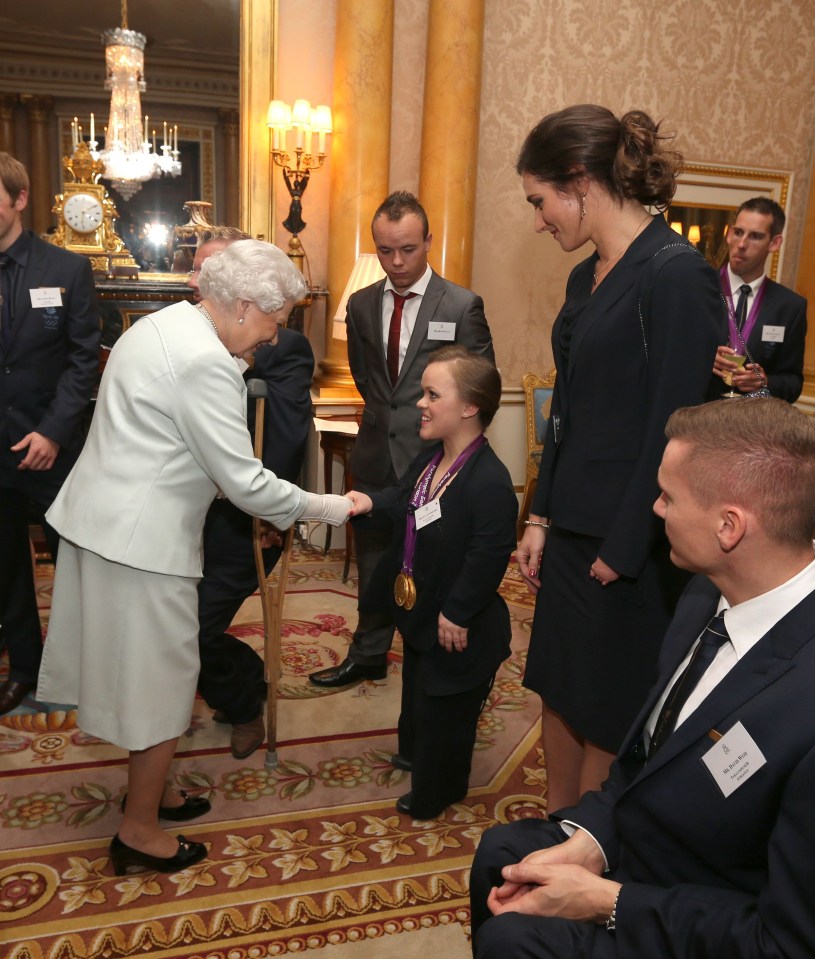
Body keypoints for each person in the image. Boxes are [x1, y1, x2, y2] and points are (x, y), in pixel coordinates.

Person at [35, 240, 350, 876]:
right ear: (240, 306)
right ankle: (140, 831)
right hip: (141, 545)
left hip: (104, 526)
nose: (274, 336)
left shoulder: (160, 324)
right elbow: (246, 484)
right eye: (274, 320)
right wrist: (335, 508)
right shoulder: (206, 362)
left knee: (143, 677)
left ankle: (157, 793)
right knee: (161, 688)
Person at [470, 397, 815, 959]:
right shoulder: (703, 595)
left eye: (668, 496)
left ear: (729, 526)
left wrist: (607, 900)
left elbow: (784, 941)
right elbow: (645, 763)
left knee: (516, 938)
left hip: (718, 911)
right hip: (658, 840)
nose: (654, 510)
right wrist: (593, 843)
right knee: (501, 852)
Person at [515, 105, 725, 811]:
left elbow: (676, 427)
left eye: (540, 201)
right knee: (558, 687)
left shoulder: (676, 274)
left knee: (606, 707)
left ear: (578, 180)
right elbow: (567, 410)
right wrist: (539, 513)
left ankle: (588, 850)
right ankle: (553, 827)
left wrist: (625, 544)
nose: (539, 221)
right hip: (572, 525)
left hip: (624, 543)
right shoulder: (586, 277)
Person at [310, 191, 495, 690]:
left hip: (436, 465)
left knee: (435, 566)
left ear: (428, 242)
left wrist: (448, 453)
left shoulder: (460, 305)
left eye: (408, 250)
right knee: (373, 566)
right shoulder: (363, 304)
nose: (395, 263)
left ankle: (429, 662)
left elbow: (481, 385)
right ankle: (368, 652)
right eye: (385, 250)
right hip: (374, 457)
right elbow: (369, 380)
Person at [347, 346, 517, 818]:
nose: (420, 403)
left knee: (446, 707)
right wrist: (367, 502)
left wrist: (458, 611)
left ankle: (437, 790)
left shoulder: (489, 481)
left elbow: (488, 557)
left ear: (468, 407)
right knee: (420, 688)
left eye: (431, 394)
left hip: (460, 622)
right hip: (423, 608)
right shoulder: (431, 458)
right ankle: (414, 752)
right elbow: (404, 499)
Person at [189, 228, 315, 759]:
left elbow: (282, 440)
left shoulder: (283, 347)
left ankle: (243, 698)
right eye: (198, 272)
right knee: (168, 625)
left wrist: (271, 513)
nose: (202, 283)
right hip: (185, 515)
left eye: (214, 271)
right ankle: (231, 684)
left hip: (243, 521)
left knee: (191, 629)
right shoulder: (183, 339)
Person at [0, 152, 100, 714]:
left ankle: (82, 665)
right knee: (7, 567)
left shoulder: (65, 270)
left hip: (53, 449)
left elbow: (84, 361)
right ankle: (24, 668)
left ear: (18, 198)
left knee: (75, 564)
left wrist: (53, 432)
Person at [712, 196, 807, 402]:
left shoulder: (790, 307)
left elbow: (792, 383)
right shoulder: (700, 289)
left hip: (751, 426)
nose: (742, 244)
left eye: (755, 236)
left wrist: (765, 382)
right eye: (738, 233)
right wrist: (705, 360)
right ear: (729, 234)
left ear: (774, 243)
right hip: (695, 421)